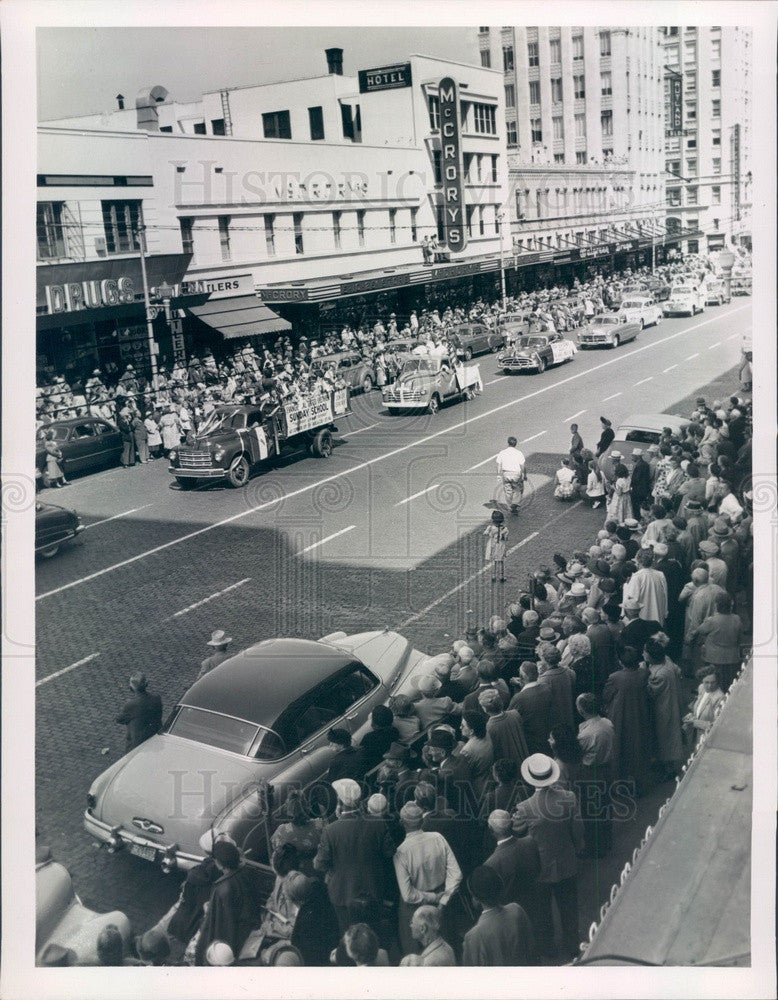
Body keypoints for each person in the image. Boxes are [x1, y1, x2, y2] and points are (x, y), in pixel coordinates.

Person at [512, 754, 584, 962]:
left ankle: (548, 948)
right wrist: (577, 846)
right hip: (566, 861)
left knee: (542, 911)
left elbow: (519, 835)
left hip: (540, 867)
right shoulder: (568, 797)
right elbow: (578, 828)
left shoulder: (524, 808)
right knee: (569, 906)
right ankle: (573, 945)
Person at [314, 779, 394, 933]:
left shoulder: (331, 830)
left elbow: (319, 864)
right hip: (373, 891)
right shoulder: (378, 823)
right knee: (373, 931)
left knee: (348, 934)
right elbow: (389, 853)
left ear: (340, 802)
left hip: (343, 895)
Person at [392, 801, 462, 956]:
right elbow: (456, 874)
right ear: (422, 820)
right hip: (442, 902)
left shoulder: (401, 852)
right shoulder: (438, 838)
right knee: (443, 950)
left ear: (402, 823)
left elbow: (408, 895)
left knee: (415, 957)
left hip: (413, 909)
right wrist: (442, 901)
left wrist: (432, 897)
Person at [194, 839, 261, 965]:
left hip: (231, 940)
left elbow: (218, 924)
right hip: (250, 929)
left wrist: (208, 909)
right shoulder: (247, 872)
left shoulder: (221, 888)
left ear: (220, 864)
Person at [462, 865, 536, 966]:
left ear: (475, 898)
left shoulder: (473, 936)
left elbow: (473, 975)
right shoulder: (517, 910)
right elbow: (531, 949)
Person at [601, 646, 651, 793]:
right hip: (639, 714)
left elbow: (606, 695)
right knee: (637, 748)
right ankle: (638, 782)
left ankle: (620, 784)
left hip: (620, 716)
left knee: (620, 748)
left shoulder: (615, 677)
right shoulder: (644, 673)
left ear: (621, 662)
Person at [576, 694, 615, 857]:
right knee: (605, 805)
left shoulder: (585, 735)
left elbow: (577, 754)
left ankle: (594, 848)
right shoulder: (607, 722)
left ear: (582, 710)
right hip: (608, 770)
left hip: (591, 773)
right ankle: (607, 840)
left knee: (591, 812)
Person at [483, 810, 541, 917]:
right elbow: (538, 870)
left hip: (512, 916)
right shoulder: (530, 842)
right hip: (536, 907)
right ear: (512, 824)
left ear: (491, 830)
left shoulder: (491, 863)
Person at [644, 637, 685, 781]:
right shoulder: (666, 661)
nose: (643, 654)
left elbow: (650, 692)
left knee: (665, 738)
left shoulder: (658, 674)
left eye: (645, 652)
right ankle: (665, 764)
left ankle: (669, 769)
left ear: (650, 656)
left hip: (663, 708)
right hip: (672, 702)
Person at [687, 591, 743, 690]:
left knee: (715, 682)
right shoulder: (737, 619)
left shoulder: (711, 621)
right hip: (732, 657)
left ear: (717, 605)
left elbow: (700, 630)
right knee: (729, 682)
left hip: (714, 657)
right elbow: (739, 637)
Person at [270, 789, 328, 878]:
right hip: (317, 875)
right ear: (307, 808)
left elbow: (276, 852)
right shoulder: (319, 827)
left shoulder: (281, 832)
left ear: (288, 809)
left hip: (293, 878)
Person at [287, 874, 340, 966]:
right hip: (331, 945)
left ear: (299, 900)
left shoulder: (307, 918)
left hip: (319, 960)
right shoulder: (320, 891)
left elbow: (297, 945)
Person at [508, 660, 553, 755]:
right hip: (547, 735)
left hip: (530, 741)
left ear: (522, 677)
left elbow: (510, 717)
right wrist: (521, 685)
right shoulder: (547, 688)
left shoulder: (518, 698)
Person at [479, 688, 529, 765]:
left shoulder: (489, 728)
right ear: (501, 703)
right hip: (524, 759)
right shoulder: (515, 714)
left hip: (508, 767)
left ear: (485, 709)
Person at [115, 672, 162, 752]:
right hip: (155, 736)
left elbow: (119, 719)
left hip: (138, 742)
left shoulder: (132, 704)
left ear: (132, 687)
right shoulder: (156, 698)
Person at [682, 671, 726, 748]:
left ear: (717, 682)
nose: (709, 686)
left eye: (713, 682)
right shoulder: (701, 688)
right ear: (702, 681)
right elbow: (699, 706)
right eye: (706, 682)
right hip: (694, 734)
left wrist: (694, 722)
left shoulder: (720, 698)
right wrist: (692, 715)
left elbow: (715, 726)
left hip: (706, 737)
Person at [493, 436, 527, 515]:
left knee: (508, 490)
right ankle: (515, 504)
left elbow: (499, 465)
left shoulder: (502, 452)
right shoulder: (519, 453)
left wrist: (498, 475)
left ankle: (510, 505)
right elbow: (522, 465)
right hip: (516, 474)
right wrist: (524, 475)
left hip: (506, 473)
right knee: (518, 490)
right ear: (515, 444)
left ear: (508, 443)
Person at [484, 509, 509, 583]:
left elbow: (485, 533)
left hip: (493, 545)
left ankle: (493, 576)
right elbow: (506, 538)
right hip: (501, 545)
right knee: (501, 561)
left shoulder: (490, 528)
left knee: (494, 561)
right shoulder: (505, 529)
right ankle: (501, 576)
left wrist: (490, 533)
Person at [629, 449, 652, 518]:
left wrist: (630, 484)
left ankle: (637, 519)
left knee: (636, 507)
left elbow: (636, 479)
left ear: (637, 456)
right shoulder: (645, 464)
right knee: (641, 506)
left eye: (633, 456)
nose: (632, 457)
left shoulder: (639, 465)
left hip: (637, 490)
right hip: (644, 490)